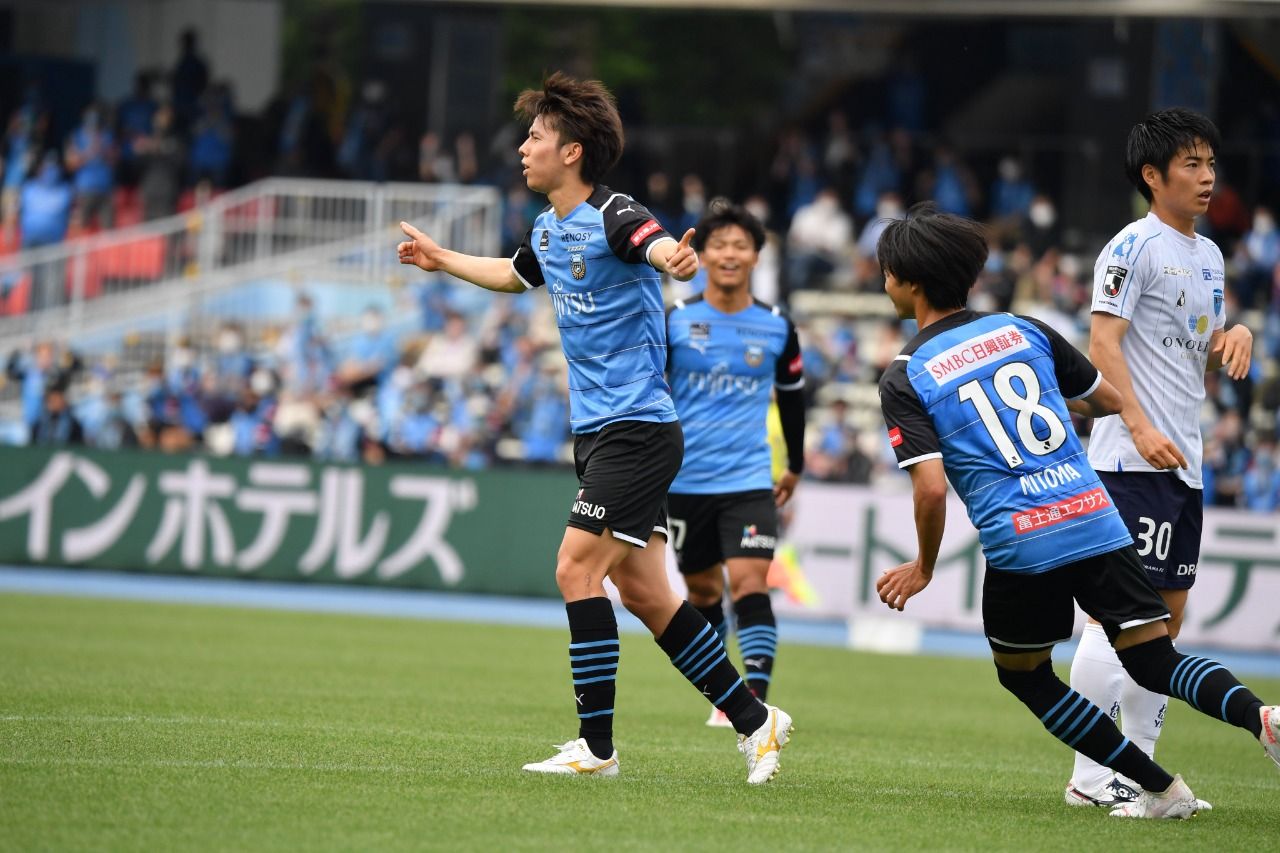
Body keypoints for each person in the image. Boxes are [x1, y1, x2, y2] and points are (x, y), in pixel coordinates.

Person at [396, 72, 791, 783]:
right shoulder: (549, 228)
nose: (523, 148)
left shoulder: (616, 213)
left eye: (536, 136)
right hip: (602, 435)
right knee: (647, 595)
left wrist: (676, 256)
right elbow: (516, 272)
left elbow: (653, 243)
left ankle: (597, 748)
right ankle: (756, 719)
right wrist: (439, 259)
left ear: (572, 151)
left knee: (574, 568)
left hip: (639, 429)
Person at [874, 203, 1278, 820]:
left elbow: (930, 490)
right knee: (1154, 655)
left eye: (886, 273)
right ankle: (1263, 717)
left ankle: (1161, 789)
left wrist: (924, 566)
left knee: (1027, 676)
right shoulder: (1023, 328)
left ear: (910, 282)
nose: (884, 284)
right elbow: (1107, 399)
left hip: (1022, 542)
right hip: (1093, 515)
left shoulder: (907, 373)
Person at [1066, 108, 1258, 809]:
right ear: (1153, 175)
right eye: (1192, 165)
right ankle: (1090, 777)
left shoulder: (1207, 255)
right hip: (1129, 459)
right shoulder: (1129, 247)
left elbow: (1190, 336)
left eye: (1211, 163)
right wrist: (1138, 427)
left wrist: (1233, 330)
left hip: (1183, 464)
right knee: (1115, 621)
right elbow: (1104, 345)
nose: (1208, 177)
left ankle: (1146, 779)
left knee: (1166, 627)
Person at [665, 203, 805, 728]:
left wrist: (795, 463)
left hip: (749, 479)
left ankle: (755, 696)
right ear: (701, 256)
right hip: (685, 481)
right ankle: (724, 690)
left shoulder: (775, 327)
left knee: (750, 582)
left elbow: (793, 398)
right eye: (719, 244)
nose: (729, 254)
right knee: (702, 593)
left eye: (739, 245)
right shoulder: (676, 320)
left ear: (755, 256)